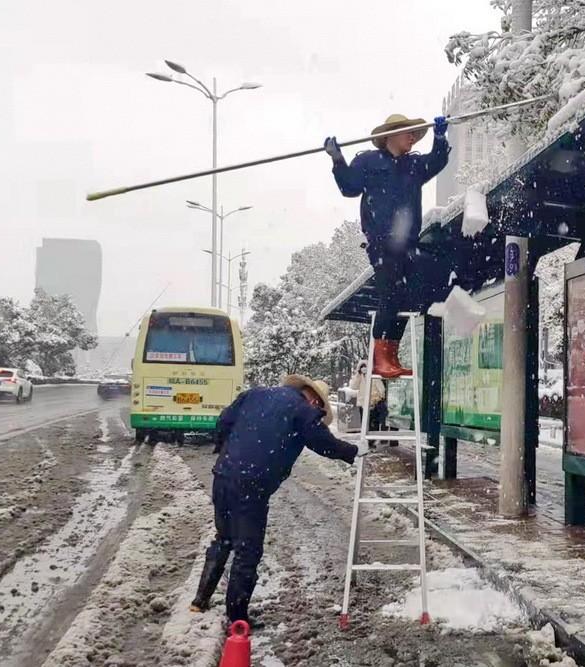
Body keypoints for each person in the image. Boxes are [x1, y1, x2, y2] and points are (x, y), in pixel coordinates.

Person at [189, 374, 363, 624]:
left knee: (224, 537)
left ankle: (200, 600)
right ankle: (237, 619)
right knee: (247, 551)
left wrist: (228, 453)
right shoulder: (302, 410)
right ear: (314, 399)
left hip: (223, 476)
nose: (318, 411)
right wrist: (354, 452)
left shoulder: (255, 394)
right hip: (252, 484)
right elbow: (324, 444)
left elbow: (223, 421)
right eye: (319, 408)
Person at [324, 113, 450, 378]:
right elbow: (349, 187)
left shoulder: (414, 165)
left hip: (408, 242)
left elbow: (437, 161)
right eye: (409, 132)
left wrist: (439, 138)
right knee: (391, 294)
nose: (413, 137)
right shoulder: (368, 162)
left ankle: (390, 352)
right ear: (390, 135)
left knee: (409, 296)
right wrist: (337, 159)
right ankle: (380, 355)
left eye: (416, 133)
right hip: (382, 242)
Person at [349, 359, 388, 444]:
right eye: (362, 367)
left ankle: (372, 441)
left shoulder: (374, 376)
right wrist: (358, 375)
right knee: (364, 423)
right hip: (362, 404)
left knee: (373, 423)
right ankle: (366, 440)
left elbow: (381, 389)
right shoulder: (359, 377)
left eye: (365, 367)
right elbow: (353, 386)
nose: (364, 369)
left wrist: (377, 398)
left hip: (373, 403)